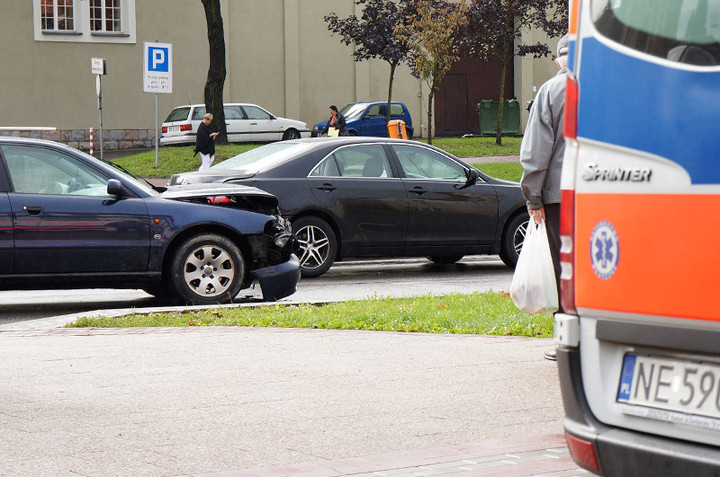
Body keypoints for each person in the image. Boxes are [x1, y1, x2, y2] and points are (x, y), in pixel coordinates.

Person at [519, 33, 569, 361]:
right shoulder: (611, 87)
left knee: (562, 267)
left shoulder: (552, 90)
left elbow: (537, 151)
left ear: (558, 59)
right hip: (602, 191)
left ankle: (567, 340)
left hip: (557, 197)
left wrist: (533, 198)